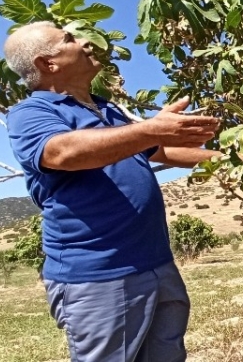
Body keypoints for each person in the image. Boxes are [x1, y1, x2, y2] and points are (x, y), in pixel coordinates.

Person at [4, 21, 220, 362]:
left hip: (156, 263)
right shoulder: (30, 112)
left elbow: (160, 151)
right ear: (48, 64)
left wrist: (231, 162)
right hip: (99, 276)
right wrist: (150, 129)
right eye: (70, 39)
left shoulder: (105, 109)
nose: (87, 42)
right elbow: (62, 152)